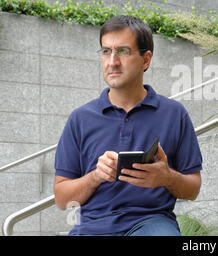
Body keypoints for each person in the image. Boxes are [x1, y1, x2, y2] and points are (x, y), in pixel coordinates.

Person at [54, 15, 202, 236]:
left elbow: (193, 188)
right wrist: (96, 176)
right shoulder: (80, 119)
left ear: (145, 59)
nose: (112, 61)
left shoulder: (175, 114)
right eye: (106, 51)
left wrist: (166, 177)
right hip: (93, 227)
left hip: (152, 224)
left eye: (123, 51)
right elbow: (62, 199)